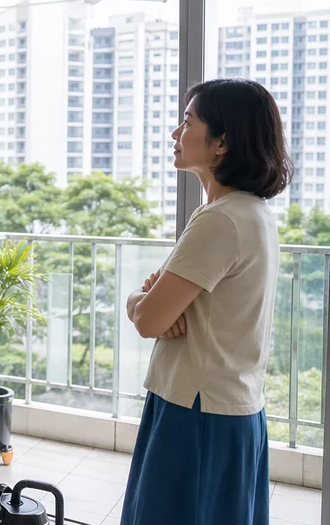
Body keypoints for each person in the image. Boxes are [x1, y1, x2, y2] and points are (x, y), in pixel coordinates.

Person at [121, 78, 293, 525]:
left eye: (186, 122)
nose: (175, 134)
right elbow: (164, 313)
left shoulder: (220, 221)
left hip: (195, 413)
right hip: (230, 406)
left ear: (222, 142)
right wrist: (157, 304)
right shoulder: (252, 212)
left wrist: (140, 299)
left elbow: (148, 318)